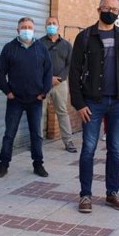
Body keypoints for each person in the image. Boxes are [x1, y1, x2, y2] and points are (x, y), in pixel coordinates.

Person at [69, 0, 119, 214]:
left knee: (115, 149)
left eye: (115, 9)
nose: (111, 12)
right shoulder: (85, 36)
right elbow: (74, 72)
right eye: (107, 8)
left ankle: (112, 194)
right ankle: (85, 195)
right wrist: (79, 103)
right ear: (98, 9)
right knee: (88, 149)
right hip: (92, 103)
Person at [0, 17, 52, 178]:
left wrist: (44, 92)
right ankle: (3, 165)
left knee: (36, 134)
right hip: (15, 100)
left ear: (34, 29)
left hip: (35, 100)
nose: (27, 29)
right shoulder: (9, 48)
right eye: (23, 27)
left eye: (29, 27)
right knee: (9, 134)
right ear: (18, 30)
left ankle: (38, 164)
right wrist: (8, 91)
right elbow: (0, 73)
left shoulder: (41, 48)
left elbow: (48, 72)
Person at [40, 17, 77, 153]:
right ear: (45, 26)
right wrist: (48, 78)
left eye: (53, 24)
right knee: (40, 112)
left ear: (58, 26)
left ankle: (68, 141)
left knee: (62, 112)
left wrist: (59, 78)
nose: (51, 26)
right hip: (43, 83)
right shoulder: (39, 43)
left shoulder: (66, 45)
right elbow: (36, 63)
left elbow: (70, 64)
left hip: (60, 84)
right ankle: (37, 142)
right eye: (49, 24)